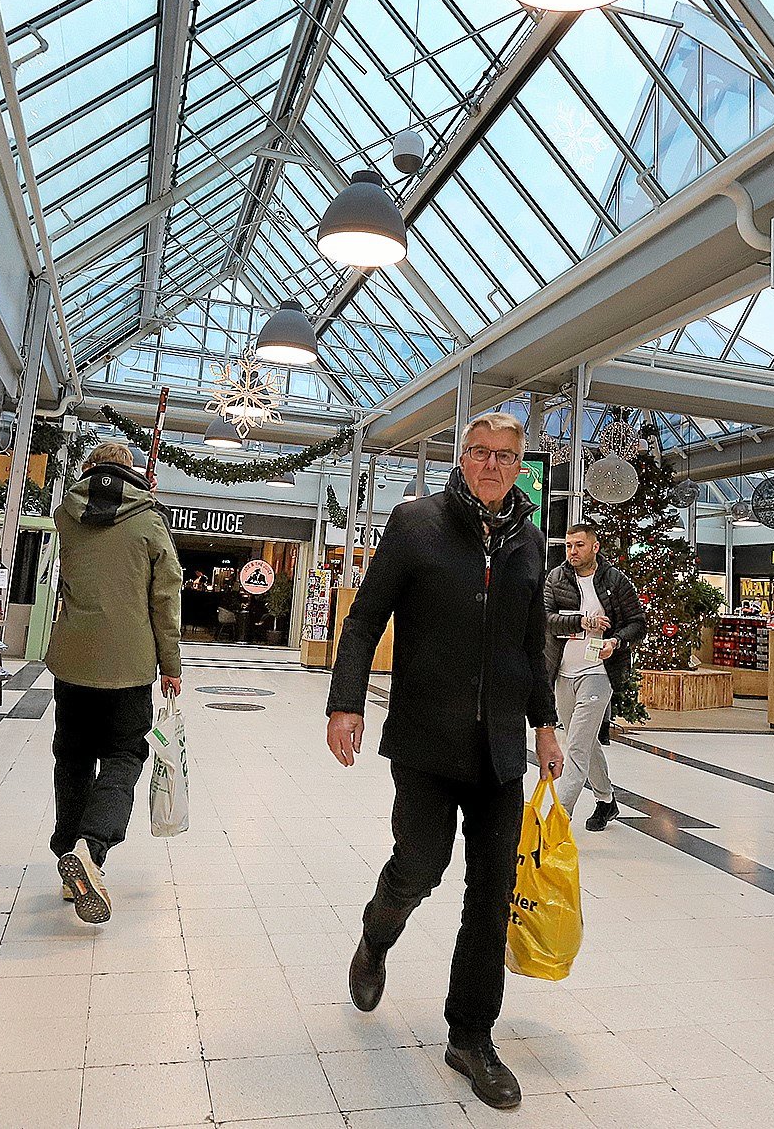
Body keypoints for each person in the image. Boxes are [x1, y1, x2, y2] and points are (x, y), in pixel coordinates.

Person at [326, 412, 563, 1111]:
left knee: (491, 896)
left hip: (499, 753)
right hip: (426, 741)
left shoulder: (529, 539)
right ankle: (378, 931)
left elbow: (531, 639)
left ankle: (470, 1034)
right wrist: (346, 701)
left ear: (522, 465)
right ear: (462, 457)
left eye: (506, 455)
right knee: (421, 863)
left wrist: (545, 723)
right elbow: (365, 616)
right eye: (480, 451)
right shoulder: (415, 522)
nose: (492, 464)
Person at [42, 440, 182, 924]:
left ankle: (67, 855)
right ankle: (90, 847)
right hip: (131, 662)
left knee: (73, 756)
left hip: (74, 660)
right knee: (124, 755)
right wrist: (172, 665)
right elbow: (165, 597)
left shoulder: (67, 516)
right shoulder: (149, 522)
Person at [544, 523, 644, 831]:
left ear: (595, 547)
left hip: (599, 673)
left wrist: (615, 642)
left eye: (579, 545)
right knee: (584, 742)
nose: (572, 551)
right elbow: (546, 619)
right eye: (569, 546)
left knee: (575, 745)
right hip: (563, 672)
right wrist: (581, 622)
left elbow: (637, 624)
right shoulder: (557, 578)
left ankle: (558, 819)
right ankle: (606, 800)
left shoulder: (616, 581)